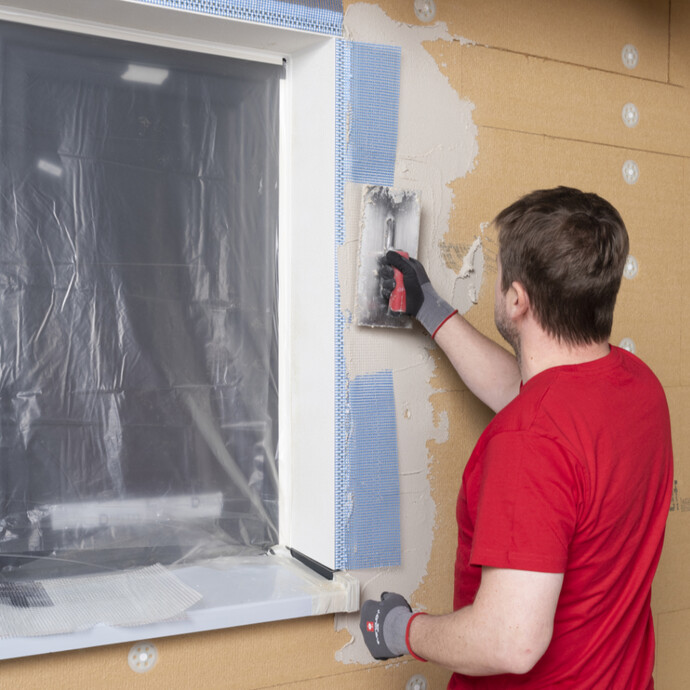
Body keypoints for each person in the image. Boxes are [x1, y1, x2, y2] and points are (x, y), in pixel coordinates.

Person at [359, 187, 673, 689]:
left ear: (516, 298)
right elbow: (527, 393)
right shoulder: (639, 388)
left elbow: (510, 641)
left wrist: (400, 630)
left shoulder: (531, 441)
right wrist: (430, 308)